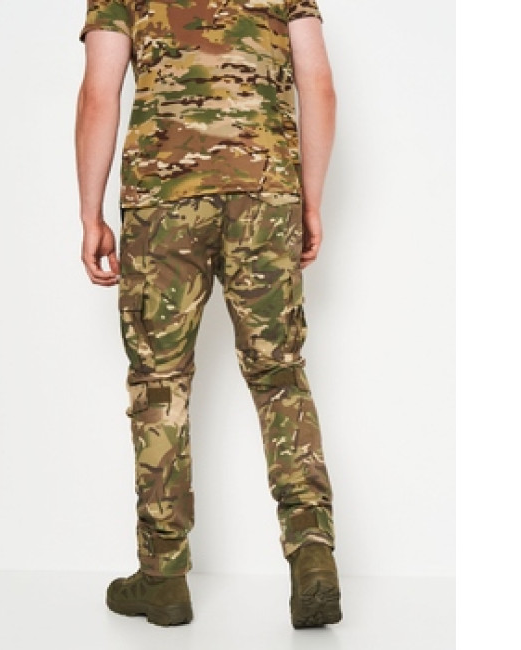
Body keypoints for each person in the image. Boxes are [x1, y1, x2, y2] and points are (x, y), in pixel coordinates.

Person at [75, 0, 341, 629]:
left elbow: (98, 93)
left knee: (160, 382)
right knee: (279, 375)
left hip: (163, 197)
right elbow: (318, 84)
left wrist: (90, 213)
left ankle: (163, 576)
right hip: (266, 192)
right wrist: (308, 200)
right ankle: (313, 556)